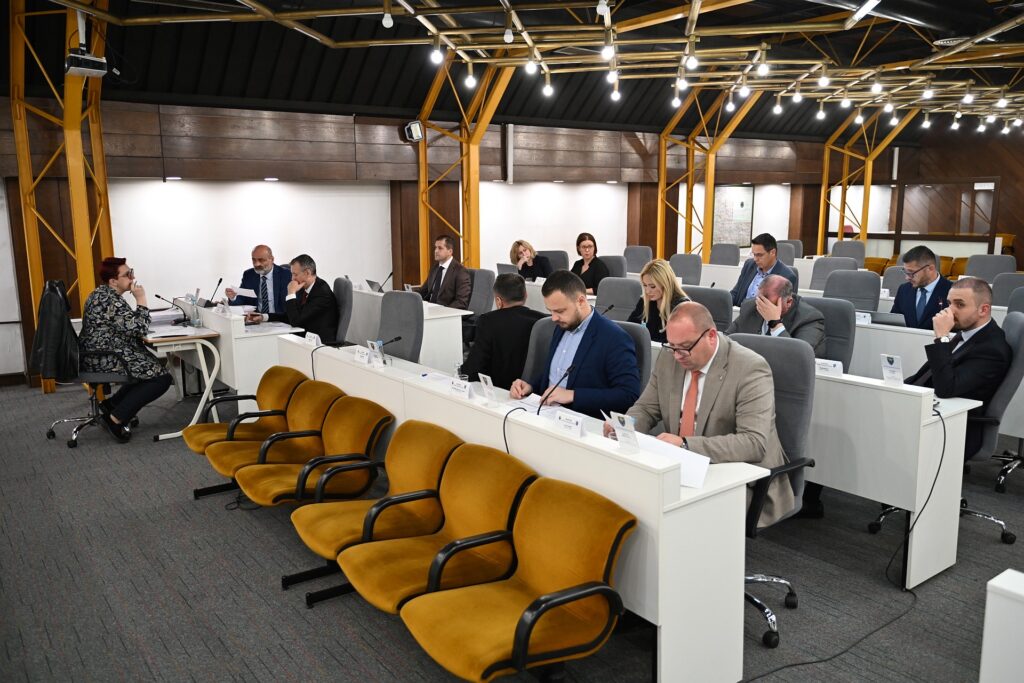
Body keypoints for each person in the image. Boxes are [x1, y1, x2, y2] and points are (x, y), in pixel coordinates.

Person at [609, 302, 794, 527]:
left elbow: (753, 443)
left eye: (685, 347)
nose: (677, 355)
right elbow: (647, 408)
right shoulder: (670, 357)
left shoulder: (750, 368)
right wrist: (626, 427)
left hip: (738, 476)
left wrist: (685, 445)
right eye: (672, 346)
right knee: (626, 491)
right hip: (684, 467)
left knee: (671, 515)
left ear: (711, 336)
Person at [509, 270, 640, 418]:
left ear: (581, 301)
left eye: (560, 311)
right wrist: (531, 386)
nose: (554, 318)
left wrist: (573, 395)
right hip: (546, 414)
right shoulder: (562, 325)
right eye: (550, 311)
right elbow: (556, 374)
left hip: (581, 420)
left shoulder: (614, 338)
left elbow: (628, 395)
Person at [906, 277, 1012, 458]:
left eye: (960, 305)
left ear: (983, 309)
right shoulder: (966, 333)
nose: (950, 311)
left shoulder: (992, 349)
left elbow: (946, 388)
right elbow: (928, 374)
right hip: (932, 410)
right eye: (949, 303)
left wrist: (941, 338)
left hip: (955, 426)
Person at [79, 257, 173, 442]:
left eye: (132, 272)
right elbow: (139, 328)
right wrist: (141, 299)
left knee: (150, 369)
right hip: (105, 357)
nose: (133, 277)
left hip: (101, 352)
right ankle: (115, 418)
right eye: (128, 274)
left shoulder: (103, 294)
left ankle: (112, 404)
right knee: (161, 378)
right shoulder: (109, 300)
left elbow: (129, 325)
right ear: (113, 281)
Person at [462, 274, 545, 389]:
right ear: (526, 295)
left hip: (497, 390)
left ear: (498, 301)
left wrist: (461, 374)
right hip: (531, 389)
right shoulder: (542, 320)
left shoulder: (488, 321)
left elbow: (476, 364)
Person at [726, 275, 826, 357]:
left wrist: (775, 323)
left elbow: (798, 357)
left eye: (770, 304)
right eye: (760, 301)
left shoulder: (810, 319)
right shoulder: (751, 306)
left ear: (788, 302)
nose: (763, 308)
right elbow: (727, 339)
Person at [247, 254, 338, 343]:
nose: (292, 278)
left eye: (295, 274)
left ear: (307, 273)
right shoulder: (304, 288)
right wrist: (263, 317)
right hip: (304, 338)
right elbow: (290, 316)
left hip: (319, 343)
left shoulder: (322, 293)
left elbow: (295, 321)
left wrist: (291, 293)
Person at [890, 245, 952, 329]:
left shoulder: (952, 291)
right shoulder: (904, 290)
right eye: (906, 272)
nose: (907, 277)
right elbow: (893, 322)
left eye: (911, 272)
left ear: (930, 268)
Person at [627, 259, 689, 343]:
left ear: (665, 284)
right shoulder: (645, 300)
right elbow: (630, 328)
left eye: (652, 286)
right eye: (645, 285)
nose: (647, 291)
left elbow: (680, 342)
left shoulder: (681, 306)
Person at [730, 233, 799, 307]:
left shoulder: (787, 276)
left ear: (773, 252)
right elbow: (735, 293)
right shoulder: (749, 265)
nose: (755, 259)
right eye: (754, 254)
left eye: (759, 255)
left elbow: (783, 309)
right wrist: (725, 303)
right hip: (739, 310)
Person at [225, 244, 290, 316]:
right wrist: (233, 297)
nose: (256, 264)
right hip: (256, 319)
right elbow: (242, 299)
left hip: (279, 319)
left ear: (272, 259)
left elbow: (291, 303)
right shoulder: (249, 275)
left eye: (261, 260)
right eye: (254, 260)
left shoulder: (286, 275)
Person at [417, 235, 472, 309]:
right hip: (430, 309)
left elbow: (461, 302)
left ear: (450, 251)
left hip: (446, 311)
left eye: (440, 248)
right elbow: (424, 291)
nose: (436, 251)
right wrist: (408, 296)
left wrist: (441, 311)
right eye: (435, 247)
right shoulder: (435, 268)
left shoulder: (461, 271)